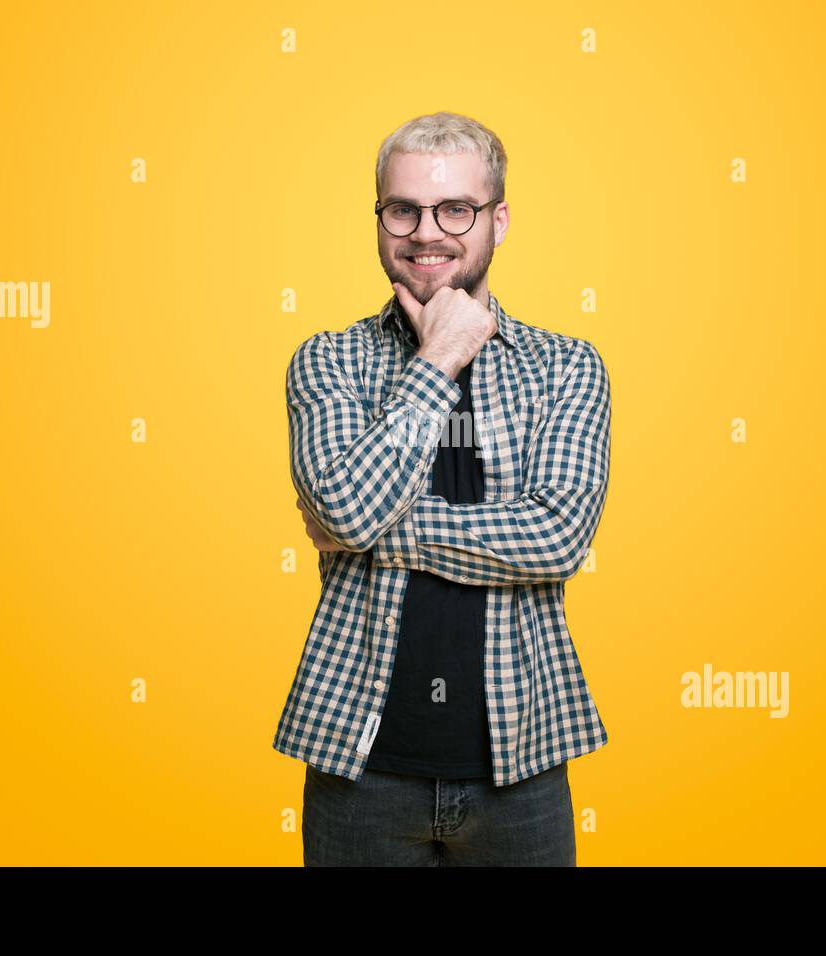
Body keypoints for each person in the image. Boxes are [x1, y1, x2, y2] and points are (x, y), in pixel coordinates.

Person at [273, 111, 612, 866]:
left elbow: (556, 538)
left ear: (498, 220)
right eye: (404, 209)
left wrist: (367, 533)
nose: (427, 231)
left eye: (455, 208)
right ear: (381, 219)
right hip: (357, 763)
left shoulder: (568, 367)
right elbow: (342, 509)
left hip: (521, 767)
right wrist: (440, 359)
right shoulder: (327, 360)